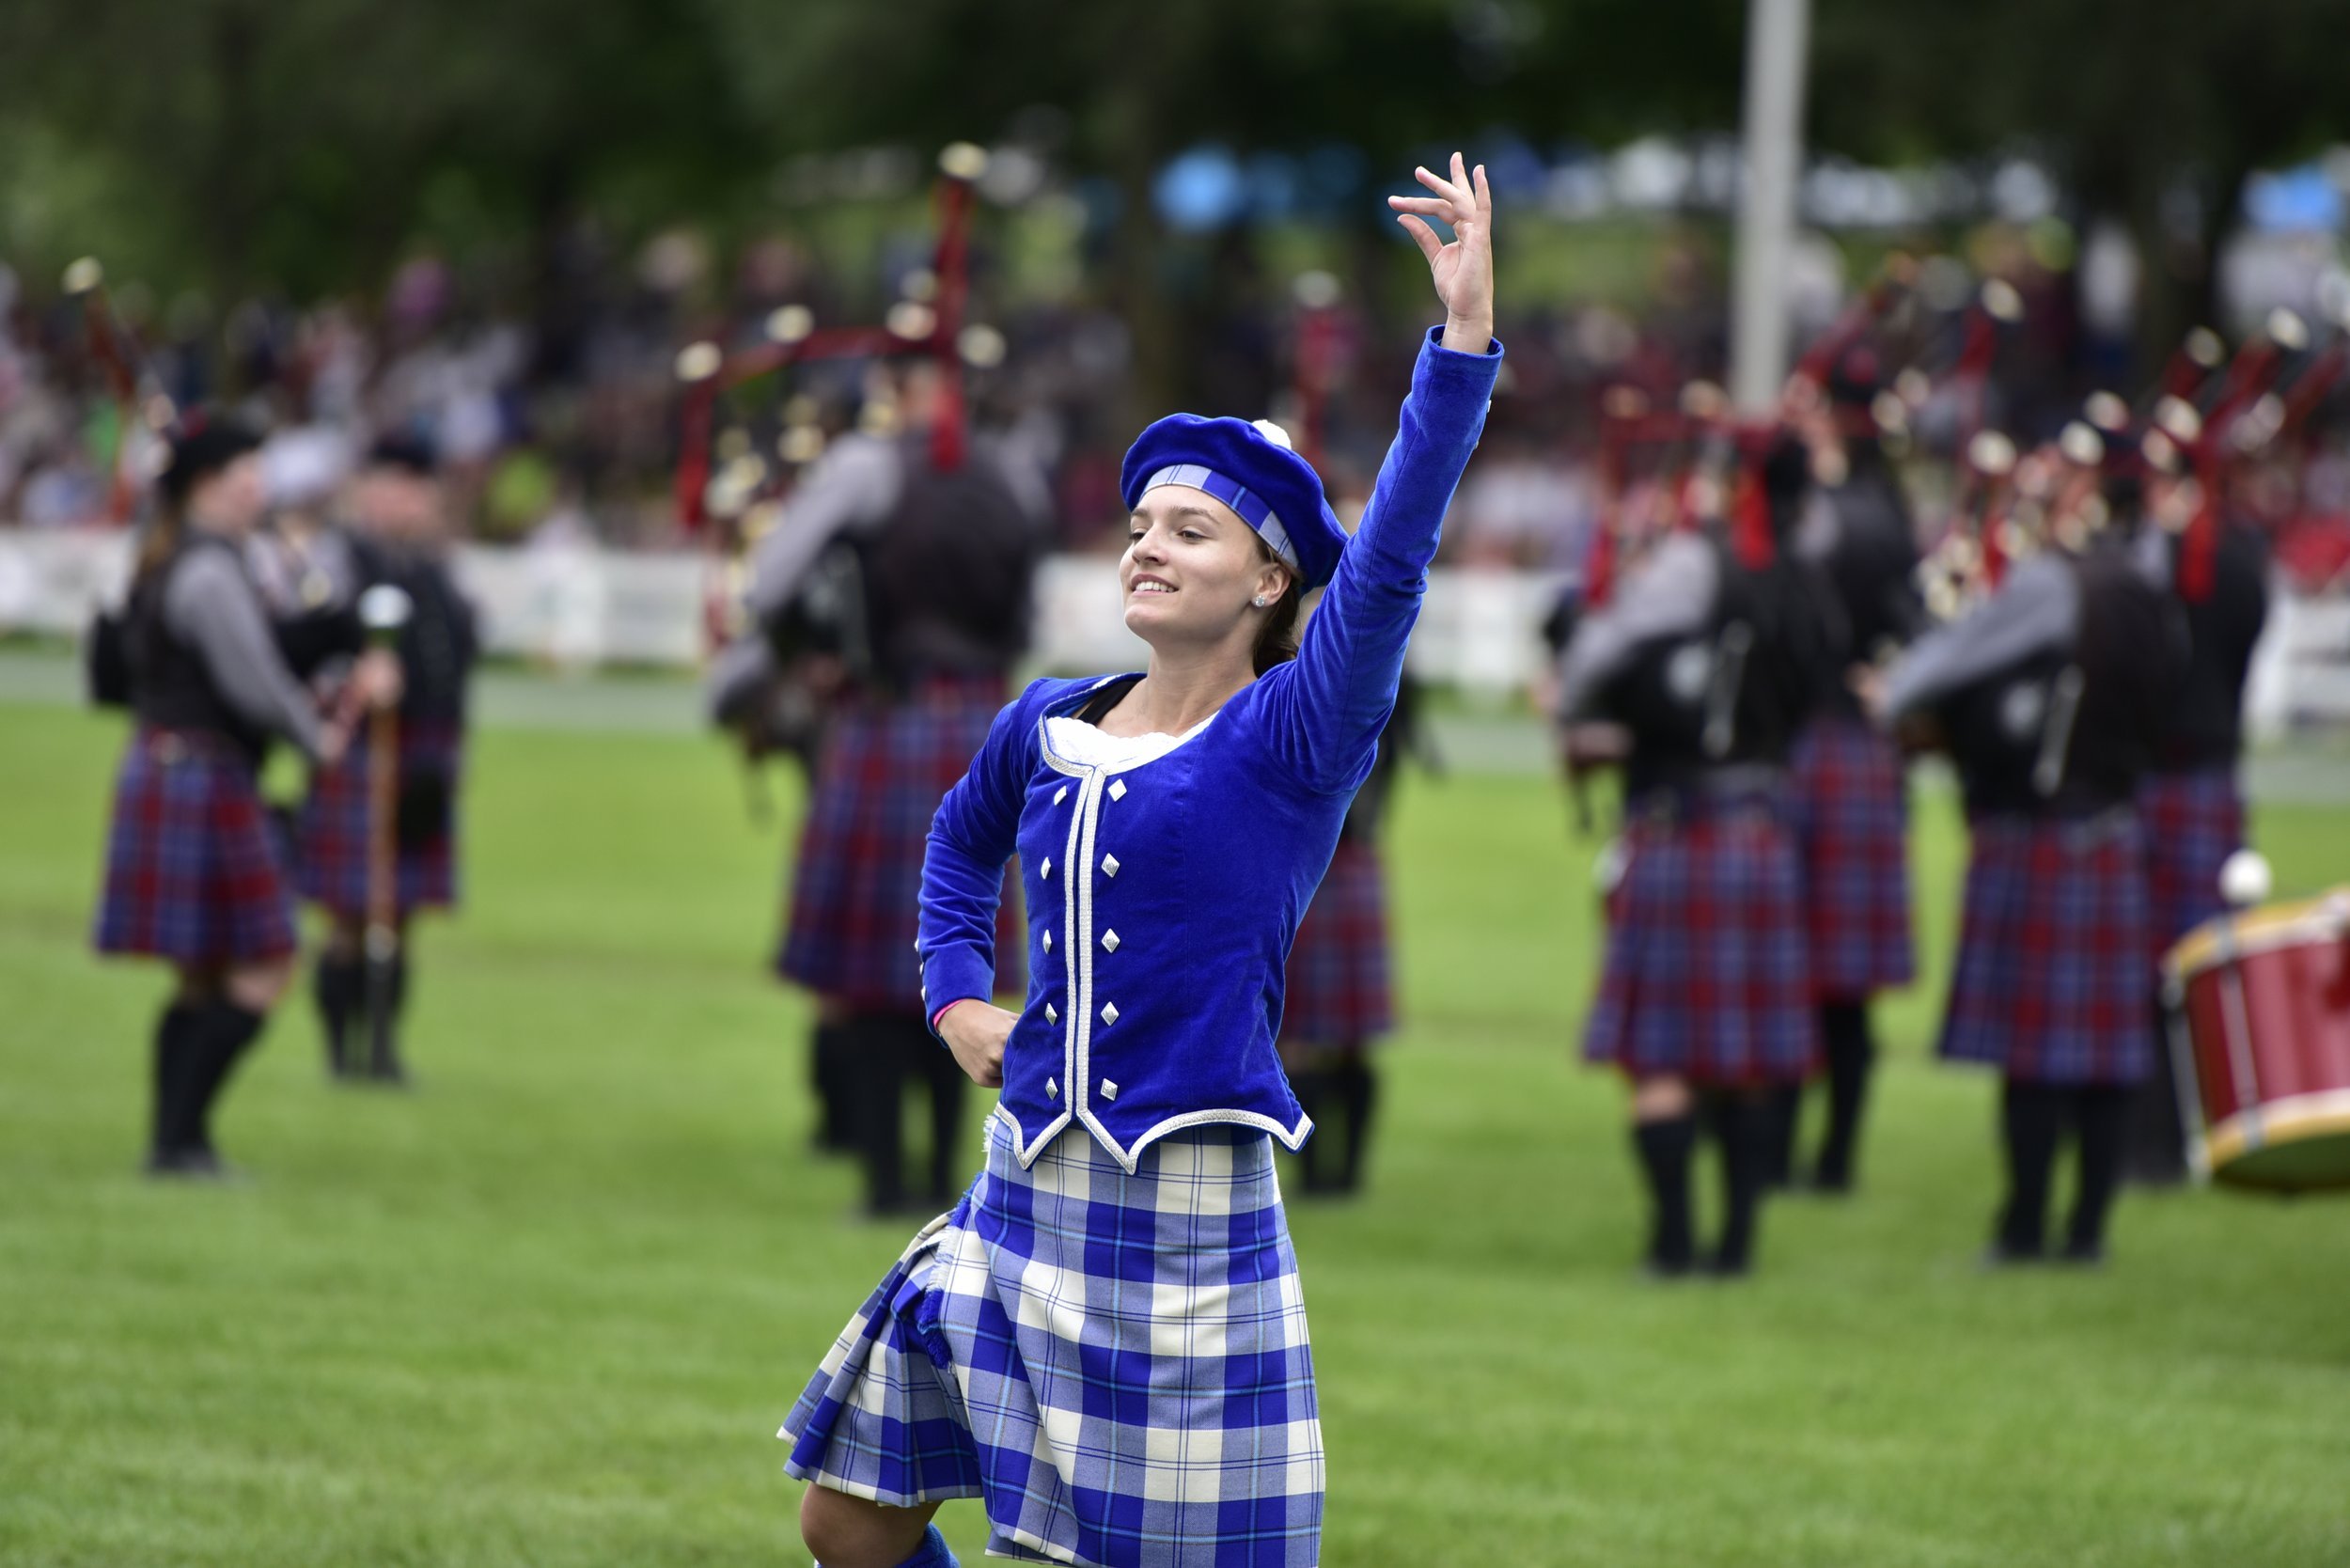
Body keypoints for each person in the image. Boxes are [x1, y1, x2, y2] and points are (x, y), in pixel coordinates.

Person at [776, 155, 1498, 1568]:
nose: (1148, 549)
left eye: (1193, 530)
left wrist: (1460, 342)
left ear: (1273, 581)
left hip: (1180, 1233)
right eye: (1141, 527)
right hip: (1018, 1195)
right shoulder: (1047, 720)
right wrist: (951, 991)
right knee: (846, 1516)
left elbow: (1397, 555)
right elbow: (958, 841)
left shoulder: (1294, 733)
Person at [749, 354, 1049, 1217]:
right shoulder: (1016, 474)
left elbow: (769, 584)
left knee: (885, 970)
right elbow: (1026, 613)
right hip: (986, 721)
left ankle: (884, 1182)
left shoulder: (864, 468)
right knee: (967, 957)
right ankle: (936, 1175)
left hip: (888, 716)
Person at [1874, 427, 2183, 1264]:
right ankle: (2086, 1233)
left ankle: (2024, 1229)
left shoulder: (2055, 584)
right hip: (2119, 827)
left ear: (2090, 496)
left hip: (2046, 833)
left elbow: (1934, 672)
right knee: (2107, 1051)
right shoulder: (2153, 581)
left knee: (2036, 1053)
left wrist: (1893, 687)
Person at [1557, 431, 1834, 1278]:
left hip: (1683, 826)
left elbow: (1592, 659)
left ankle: (1674, 1243)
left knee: (1663, 1056)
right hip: (1763, 825)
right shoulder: (1810, 577)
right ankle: (1737, 1246)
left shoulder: (1696, 563)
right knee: (1749, 1057)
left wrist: (1580, 692)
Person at [92, 416, 394, 1175]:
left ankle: (174, 1143)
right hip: (204, 775)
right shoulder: (208, 572)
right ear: (206, 485)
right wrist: (317, 737)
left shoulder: (188, 560)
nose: (259, 489)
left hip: (175, 771)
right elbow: (253, 682)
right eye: (246, 476)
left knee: (202, 973)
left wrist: (321, 641)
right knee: (266, 961)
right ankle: (181, 1139)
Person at [1768, 360, 1924, 1192]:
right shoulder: (1893, 514)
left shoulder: (1825, 518)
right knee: (1844, 981)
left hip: (1810, 747)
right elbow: (1921, 623)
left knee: (1800, 966)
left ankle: (1802, 1155)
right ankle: (1832, 1160)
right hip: (1861, 754)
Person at [299, 434, 478, 1083]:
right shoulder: (338, 559)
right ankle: (338, 1053)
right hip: (365, 749)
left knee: (400, 915)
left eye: (417, 485)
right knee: (351, 914)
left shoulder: (436, 568)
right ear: (367, 489)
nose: (406, 498)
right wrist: (353, 676)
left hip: (425, 755)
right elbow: (303, 645)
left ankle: (383, 1048)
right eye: (392, 483)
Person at [2125, 469, 2269, 1182]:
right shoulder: (2245, 561)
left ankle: (2153, 1140)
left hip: (2164, 775)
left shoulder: (2159, 564)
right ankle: (2184, 1130)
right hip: (2209, 780)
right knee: (2194, 971)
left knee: (2156, 972)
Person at [1279, 676, 1425, 1197]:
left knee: (1302, 1035)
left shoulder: (1310, 671)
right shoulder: (1386, 666)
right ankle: (1338, 1178)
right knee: (1340, 1038)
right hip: (1349, 859)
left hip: (1308, 861)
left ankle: (1324, 1179)